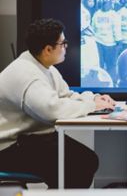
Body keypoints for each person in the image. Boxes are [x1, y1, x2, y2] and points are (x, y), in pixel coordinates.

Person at [0, 19, 116, 188]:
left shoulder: (44, 66)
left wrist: (94, 99)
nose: (66, 47)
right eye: (63, 43)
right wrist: (92, 106)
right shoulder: (26, 74)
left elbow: (65, 96)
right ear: (48, 49)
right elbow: (52, 110)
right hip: (9, 147)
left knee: (88, 160)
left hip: (32, 138)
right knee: (78, 166)